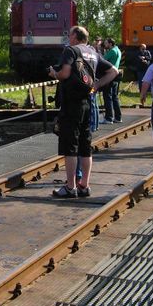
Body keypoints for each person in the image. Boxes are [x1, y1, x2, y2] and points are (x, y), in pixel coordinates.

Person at [48, 26, 118, 198]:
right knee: (85, 146)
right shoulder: (93, 53)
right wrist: (97, 85)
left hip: (71, 104)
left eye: (69, 34)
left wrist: (53, 74)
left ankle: (70, 187)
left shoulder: (70, 51)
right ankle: (84, 186)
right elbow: (113, 71)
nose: (68, 37)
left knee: (70, 145)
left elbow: (65, 73)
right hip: (87, 102)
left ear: (74, 36)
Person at [101, 37, 122, 124]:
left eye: (106, 43)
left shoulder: (112, 51)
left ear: (110, 44)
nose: (105, 45)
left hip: (109, 76)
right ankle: (118, 117)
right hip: (116, 76)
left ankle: (109, 118)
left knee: (107, 96)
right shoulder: (118, 50)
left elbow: (102, 60)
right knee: (115, 97)